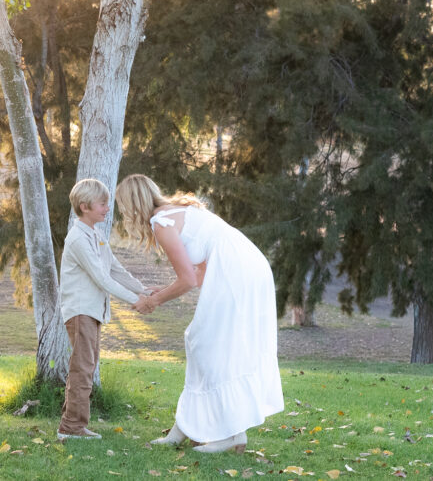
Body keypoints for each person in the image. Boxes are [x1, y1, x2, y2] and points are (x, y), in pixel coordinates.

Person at [116, 174, 284, 454]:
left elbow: (189, 280)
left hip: (238, 271)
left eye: (122, 206)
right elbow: (199, 271)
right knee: (202, 343)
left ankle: (231, 435)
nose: (123, 213)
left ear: (132, 204)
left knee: (208, 346)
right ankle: (184, 429)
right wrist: (163, 290)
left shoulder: (161, 223)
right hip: (249, 267)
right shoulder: (180, 210)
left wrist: (153, 301)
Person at [56, 178, 149, 442]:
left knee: (86, 366)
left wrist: (143, 291)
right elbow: (102, 279)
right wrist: (135, 301)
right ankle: (71, 427)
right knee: (83, 368)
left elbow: (115, 269)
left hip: (93, 312)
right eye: (103, 204)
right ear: (85, 207)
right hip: (81, 311)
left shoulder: (95, 235)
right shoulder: (77, 240)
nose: (108, 208)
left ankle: (72, 425)